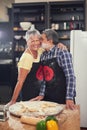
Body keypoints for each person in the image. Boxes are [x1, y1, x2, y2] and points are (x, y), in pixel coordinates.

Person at [6, 28, 67, 106]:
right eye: (32, 41)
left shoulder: (40, 50)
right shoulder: (26, 57)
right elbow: (20, 81)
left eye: (37, 40)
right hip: (29, 93)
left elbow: (51, 46)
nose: (35, 43)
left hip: (40, 93)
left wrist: (59, 44)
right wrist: (13, 100)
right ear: (27, 42)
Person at [31, 29, 76, 110]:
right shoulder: (43, 55)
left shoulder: (62, 53)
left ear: (50, 41)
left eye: (42, 39)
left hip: (62, 97)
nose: (39, 41)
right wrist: (42, 94)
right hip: (48, 97)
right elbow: (44, 78)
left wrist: (69, 97)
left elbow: (70, 77)